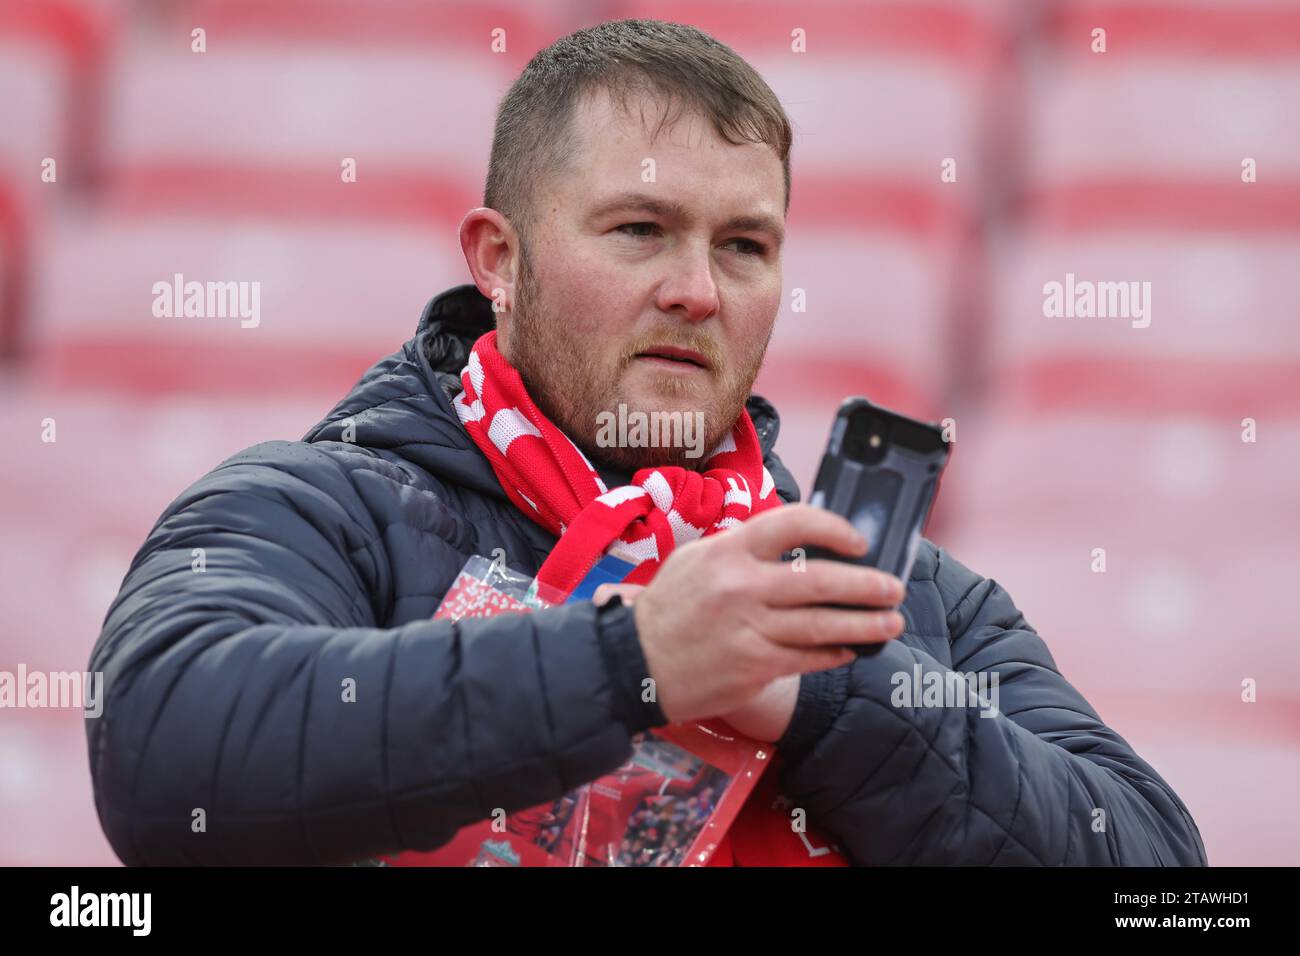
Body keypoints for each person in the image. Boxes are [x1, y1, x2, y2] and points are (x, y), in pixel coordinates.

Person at [87, 19, 1207, 866]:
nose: (695, 291)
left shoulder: (907, 602)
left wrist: (814, 696)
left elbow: (1162, 871)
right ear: (499, 259)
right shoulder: (322, 504)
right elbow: (160, 749)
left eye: (744, 247)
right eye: (639, 230)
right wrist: (636, 658)